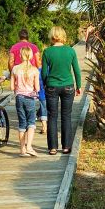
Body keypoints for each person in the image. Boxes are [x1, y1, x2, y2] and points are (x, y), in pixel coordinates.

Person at [41, 26, 81, 155]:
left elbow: (44, 73)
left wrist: (47, 83)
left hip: (52, 86)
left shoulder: (47, 52)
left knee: (52, 116)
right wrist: (79, 86)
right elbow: (76, 70)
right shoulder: (70, 51)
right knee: (66, 116)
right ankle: (66, 146)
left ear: (52, 36)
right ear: (63, 36)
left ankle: (52, 147)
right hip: (68, 86)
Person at [8, 28, 47, 133]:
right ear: (28, 37)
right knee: (42, 98)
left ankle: (23, 124)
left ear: (19, 37)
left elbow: (11, 62)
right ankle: (44, 124)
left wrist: (13, 74)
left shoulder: (14, 47)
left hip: (18, 75)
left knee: (20, 98)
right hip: (33, 73)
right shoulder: (33, 47)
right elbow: (38, 63)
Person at [11, 46, 41, 157]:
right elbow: (37, 88)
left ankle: (22, 149)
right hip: (30, 98)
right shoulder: (34, 70)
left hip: (19, 98)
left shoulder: (15, 69)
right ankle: (29, 147)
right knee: (31, 123)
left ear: (20, 55)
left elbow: (11, 87)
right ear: (31, 55)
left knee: (22, 123)